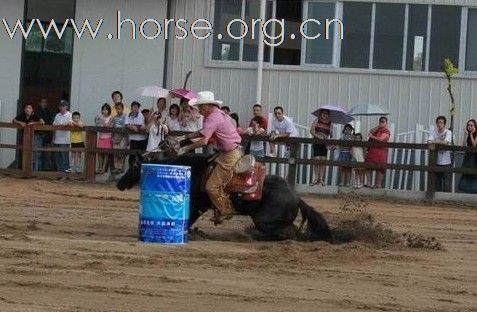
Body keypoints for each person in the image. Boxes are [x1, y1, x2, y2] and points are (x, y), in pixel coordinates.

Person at [176, 91, 242, 224]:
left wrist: (185, 148)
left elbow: (204, 140)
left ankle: (225, 211)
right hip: (228, 152)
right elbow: (203, 131)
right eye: (199, 107)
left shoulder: (212, 118)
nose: (199, 110)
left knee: (211, 186)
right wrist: (186, 137)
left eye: (201, 107)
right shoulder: (217, 114)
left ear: (208, 105)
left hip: (228, 155)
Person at [12, 103, 45, 170]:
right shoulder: (22, 115)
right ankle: (27, 171)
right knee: (26, 152)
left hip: (36, 137)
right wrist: (20, 123)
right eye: (26, 108)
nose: (28, 109)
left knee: (36, 154)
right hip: (26, 137)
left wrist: (33, 123)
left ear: (32, 110)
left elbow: (42, 122)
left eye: (29, 108)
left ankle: (35, 172)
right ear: (24, 109)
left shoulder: (35, 115)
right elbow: (13, 120)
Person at [427, 116, 453, 192]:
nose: (439, 124)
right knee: (436, 183)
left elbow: (446, 142)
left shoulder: (448, 132)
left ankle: (446, 200)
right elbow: (428, 141)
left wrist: (435, 141)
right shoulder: (434, 132)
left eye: (441, 122)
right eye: (438, 122)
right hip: (436, 161)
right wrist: (439, 142)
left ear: (444, 124)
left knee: (447, 184)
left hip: (446, 162)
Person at [365, 116, 390, 189]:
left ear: (386, 123)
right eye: (380, 121)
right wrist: (378, 127)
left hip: (380, 151)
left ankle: (378, 184)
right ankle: (369, 183)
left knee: (380, 168)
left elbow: (382, 139)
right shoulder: (376, 129)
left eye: (383, 121)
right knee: (368, 166)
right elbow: (370, 132)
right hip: (372, 151)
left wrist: (372, 137)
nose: (381, 123)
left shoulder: (386, 131)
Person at [310, 109, 332, 186]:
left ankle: (321, 179)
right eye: (323, 113)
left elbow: (329, 134)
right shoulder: (317, 120)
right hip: (316, 141)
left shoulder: (330, 123)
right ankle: (315, 178)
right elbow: (312, 131)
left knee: (323, 160)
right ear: (320, 114)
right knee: (317, 159)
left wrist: (327, 135)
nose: (324, 115)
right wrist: (318, 136)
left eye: (326, 113)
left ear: (328, 115)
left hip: (324, 143)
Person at [52, 100, 73, 173]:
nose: (62, 107)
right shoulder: (57, 115)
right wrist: (53, 138)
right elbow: (54, 125)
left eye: (63, 106)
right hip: (57, 139)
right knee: (57, 158)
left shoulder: (70, 115)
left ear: (66, 107)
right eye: (60, 106)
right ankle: (59, 173)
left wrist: (62, 125)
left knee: (65, 157)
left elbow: (70, 123)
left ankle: (65, 174)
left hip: (65, 140)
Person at [35, 97, 54, 171]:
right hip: (38, 135)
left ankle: (45, 172)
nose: (44, 104)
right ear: (39, 103)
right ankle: (37, 171)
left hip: (47, 135)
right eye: (43, 102)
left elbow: (52, 122)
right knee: (38, 153)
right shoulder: (36, 112)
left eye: (46, 102)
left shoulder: (49, 112)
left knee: (47, 154)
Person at [459, 119, 477, 194]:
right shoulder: (468, 133)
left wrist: (471, 134)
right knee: (466, 172)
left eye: (471, 125)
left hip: (475, 157)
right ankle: (465, 190)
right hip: (468, 156)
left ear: (475, 126)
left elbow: (474, 145)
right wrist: (465, 135)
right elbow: (463, 145)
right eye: (468, 125)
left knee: (474, 173)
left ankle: (474, 190)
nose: (469, 127)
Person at [126, 101, 147, 166]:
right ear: (131, 107)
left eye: (137, 107)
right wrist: (132, 126)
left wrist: (131, 126)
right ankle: (131, 169)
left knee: (141, 156)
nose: (135, 108)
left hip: (142, 139)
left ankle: (142, 169)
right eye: (134, 107)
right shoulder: (128, 115)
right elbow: (126, 125)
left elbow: (139, 126)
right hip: (133, 139)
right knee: (132, 156)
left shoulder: (140, 115)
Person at [95, 103, 113, 174]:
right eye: (103, 109)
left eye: (106, 109)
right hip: (101, 137)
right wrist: (100, 120)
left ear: (109, 110)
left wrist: (102, 121)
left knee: (106, 154)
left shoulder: (111, 117)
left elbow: (108, 126)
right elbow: (98, 126)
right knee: (99, 153)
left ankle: (103, 168)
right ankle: (99, 167)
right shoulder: (100, 117)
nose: (105, 111)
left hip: (108, 137)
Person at [111, 102, 128, 174]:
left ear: (122, 109)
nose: (118, 110)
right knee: (115, 153)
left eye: (119, 109)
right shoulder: (114, 117)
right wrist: (113, 137)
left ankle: (121, 167)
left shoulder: (125, 117)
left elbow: (126, 127)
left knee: (121, 153)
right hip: (115, 136)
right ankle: (116, 167)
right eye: (117, 109)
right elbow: (113, 127)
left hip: (123, 137)